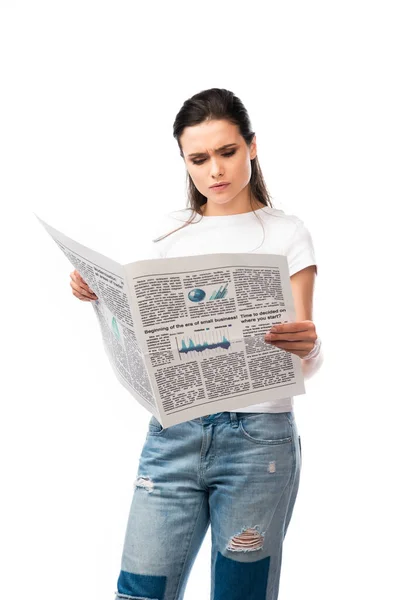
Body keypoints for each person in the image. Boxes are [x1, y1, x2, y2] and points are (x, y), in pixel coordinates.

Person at [70, 87, 323, 600]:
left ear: (252, 146)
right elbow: (146, 331)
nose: (215, 171)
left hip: (258, 443)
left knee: (241, 593)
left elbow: (306, 355)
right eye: (198, 159)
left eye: (227, 152)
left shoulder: (288, 234)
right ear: (184, 161)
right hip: (173, 437)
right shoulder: (170, 235)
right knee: (140, 591)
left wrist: (309, 348)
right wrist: (97, 294)